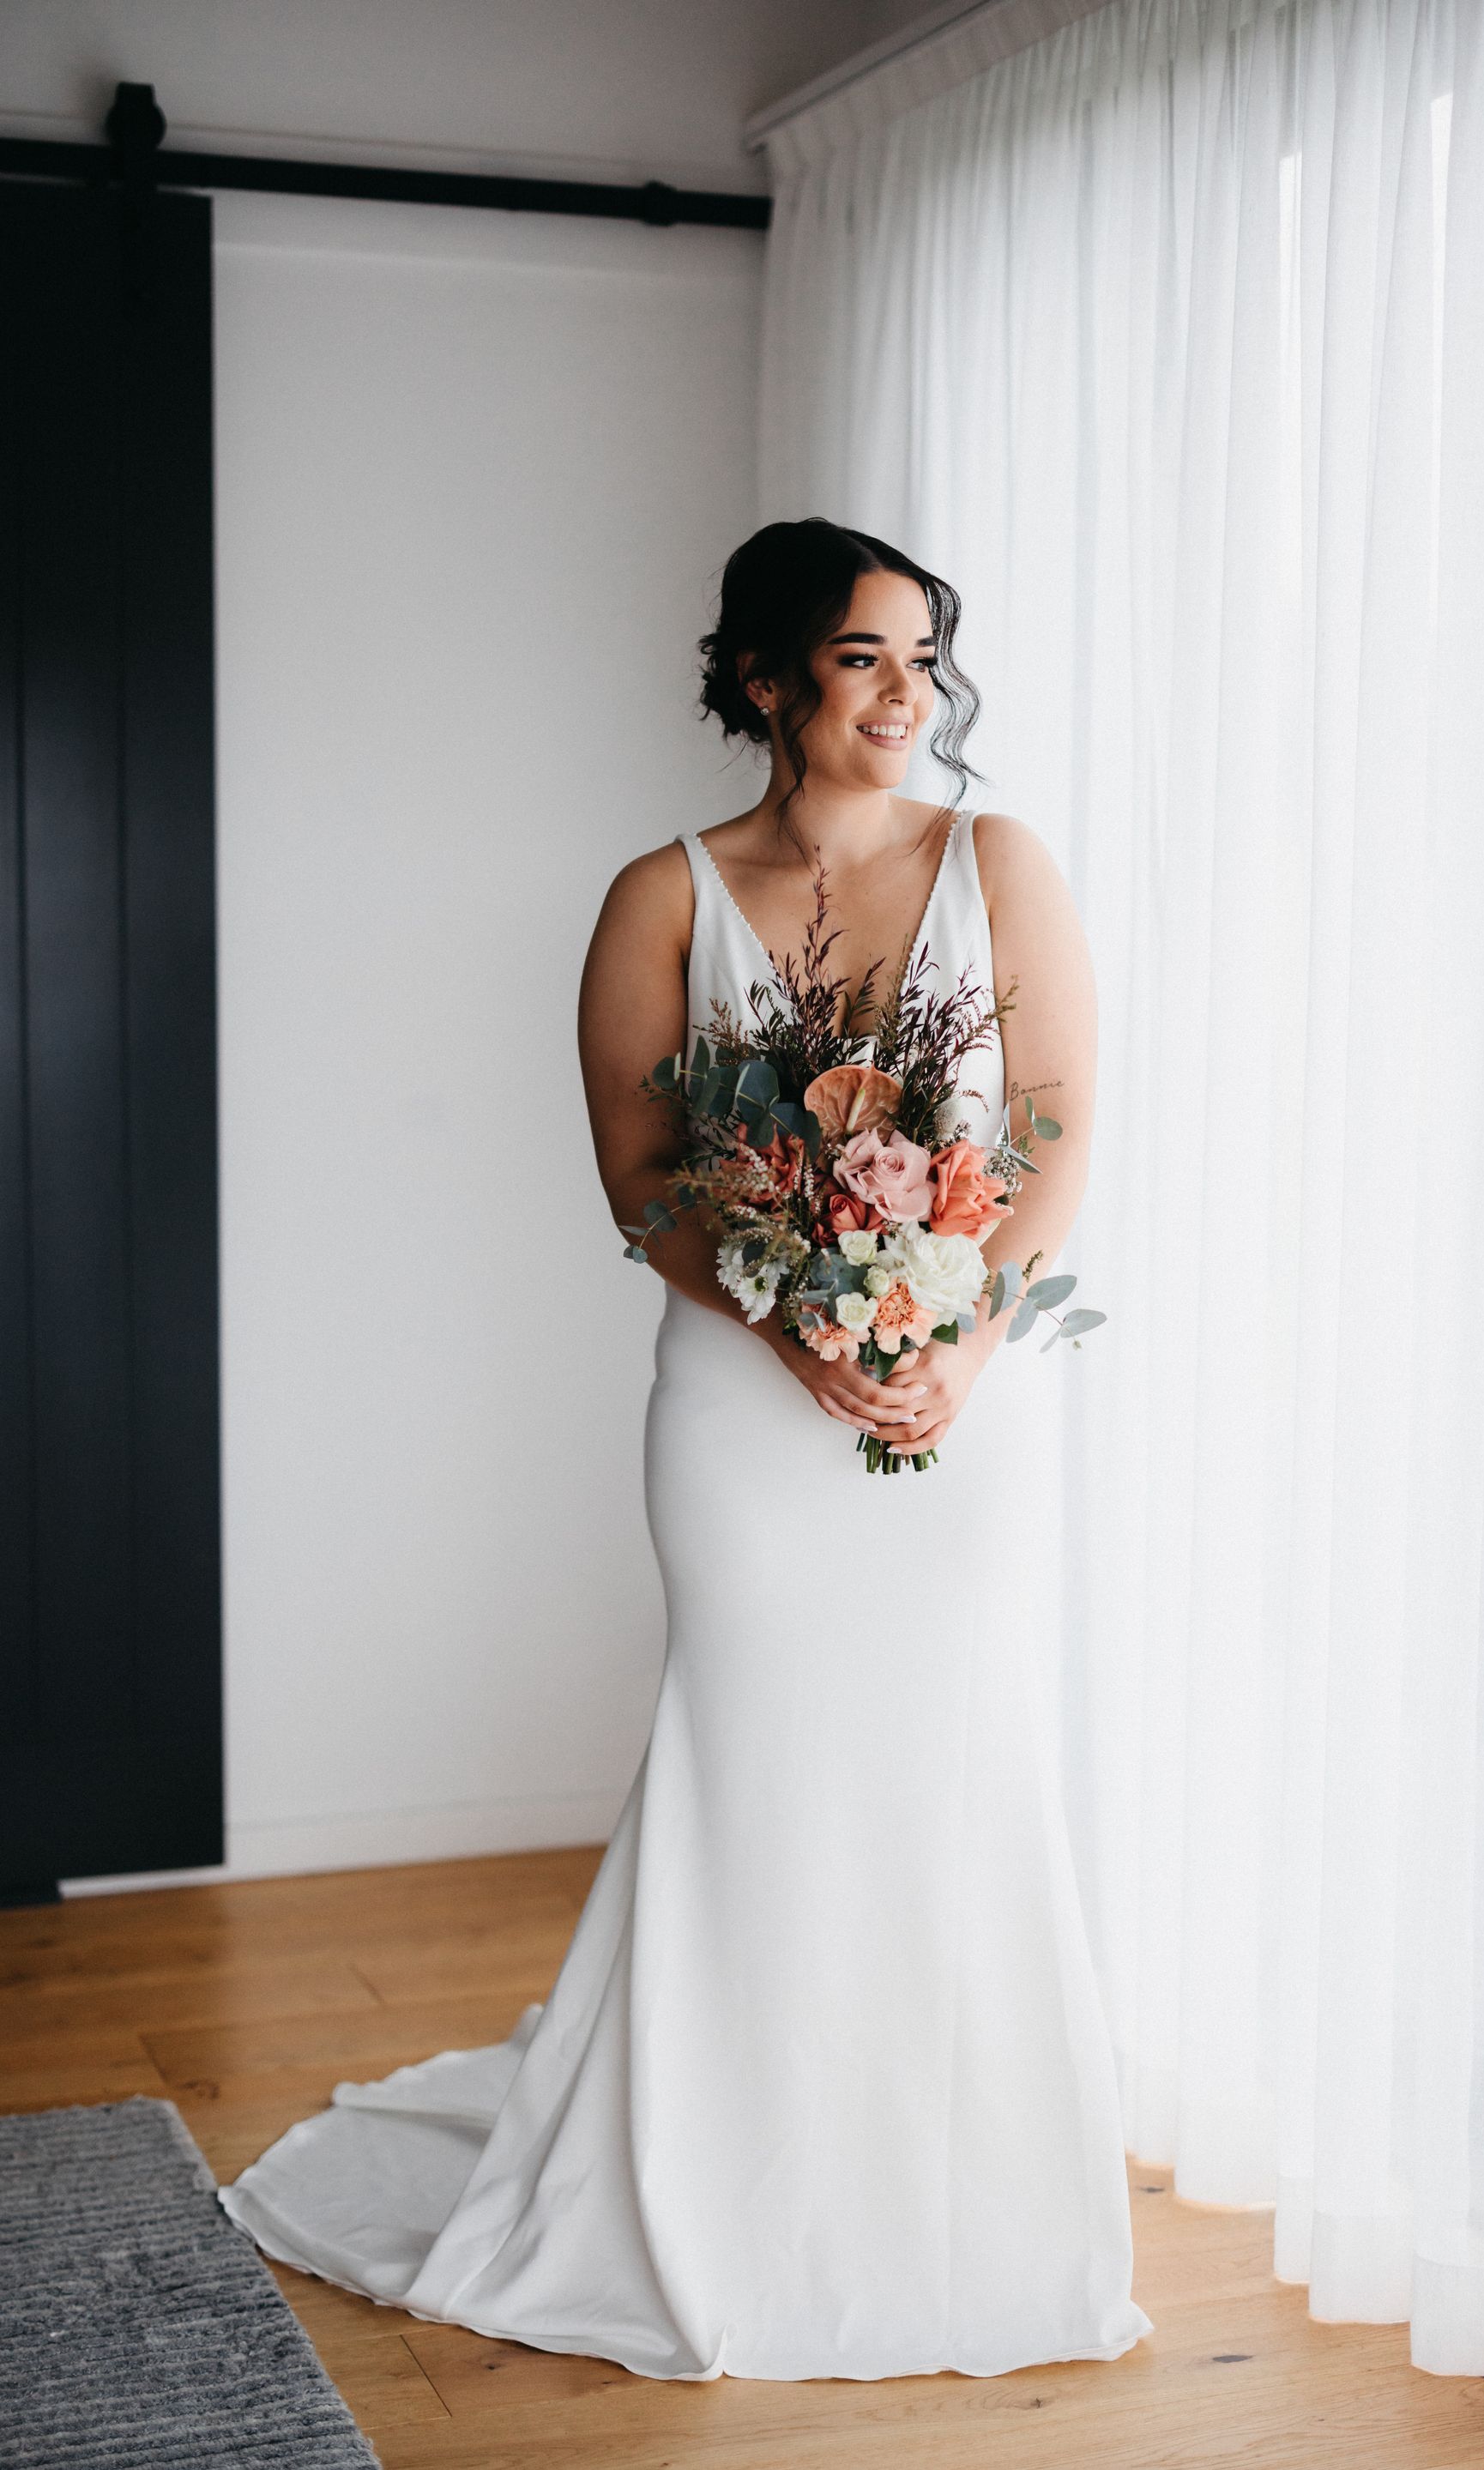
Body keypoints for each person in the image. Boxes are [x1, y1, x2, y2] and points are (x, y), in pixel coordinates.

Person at [217, 516, 1153, 2382]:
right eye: (864, 658)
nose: (907, 697)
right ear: (761, 678)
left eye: (924, 661)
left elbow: (1051, 1137)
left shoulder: (1001, 864)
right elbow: (644, 1187)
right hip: (742, 1405)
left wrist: (956, 1347)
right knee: (761, 1758)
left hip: (966, 1406)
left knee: (956, 1751)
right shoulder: (663, 894)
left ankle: (949, 2189)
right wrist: (801, 1328)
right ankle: (715, 2184)